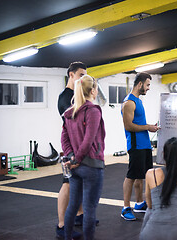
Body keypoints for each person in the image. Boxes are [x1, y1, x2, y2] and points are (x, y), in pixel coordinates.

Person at [61, 74, 105, 240]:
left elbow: (63, 139)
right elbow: (89, 140)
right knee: (89, 209)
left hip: (75, 167)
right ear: (93, 91)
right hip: (91, 166)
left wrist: (72, 158)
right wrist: (77, 159)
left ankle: (67, 237)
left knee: (73, 206)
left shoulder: (69, 113)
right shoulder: (93, 111)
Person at [121, 72, 160, 221]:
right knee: (131, 176)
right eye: (148, 85)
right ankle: (125, 208)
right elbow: (129, 126)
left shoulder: (138, 101)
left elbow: (140, 123)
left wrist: (150, 127)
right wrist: (148, 127)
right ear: (140, 84)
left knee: (141, 176)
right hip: (135, 145)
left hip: (144, 144)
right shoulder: (129, 103)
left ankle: (139, 204)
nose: (148, 88)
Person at [56, 62, 87, 239]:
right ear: (71, 75)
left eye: (85, 75)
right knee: (67, 184)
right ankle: (61, 225)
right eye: (80, 75)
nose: (83, 78)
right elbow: (73, 123)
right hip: (70, 147)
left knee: (79, 181)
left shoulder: (76, 95)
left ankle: (79, 215)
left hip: (79, 145)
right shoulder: (65, 97)